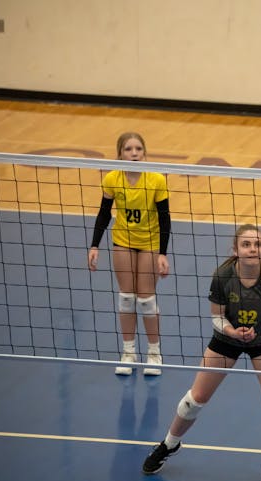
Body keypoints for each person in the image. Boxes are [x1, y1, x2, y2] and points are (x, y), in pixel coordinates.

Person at [141, 224, 261, 481]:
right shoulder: (223, 276)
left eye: (258, 244)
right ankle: (168, 445)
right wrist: (232, 331)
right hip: (227, 338)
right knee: (193, 401)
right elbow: (216, 316)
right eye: (247, 244)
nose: (253, 249)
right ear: (236, 250)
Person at [88, 132, 170, 376]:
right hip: (122, 241)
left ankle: (154, 354)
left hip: (149, 243)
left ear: (144, 153)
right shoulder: (112, 178)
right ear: (120, 153)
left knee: (146, 300)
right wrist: (94, 246)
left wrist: (162, 254)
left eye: (138, 149)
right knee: (126, 297)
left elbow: (165, 219)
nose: (134, 153)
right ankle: (128, 352)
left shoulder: (155, 179)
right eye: (128, 149)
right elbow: (104, 213)